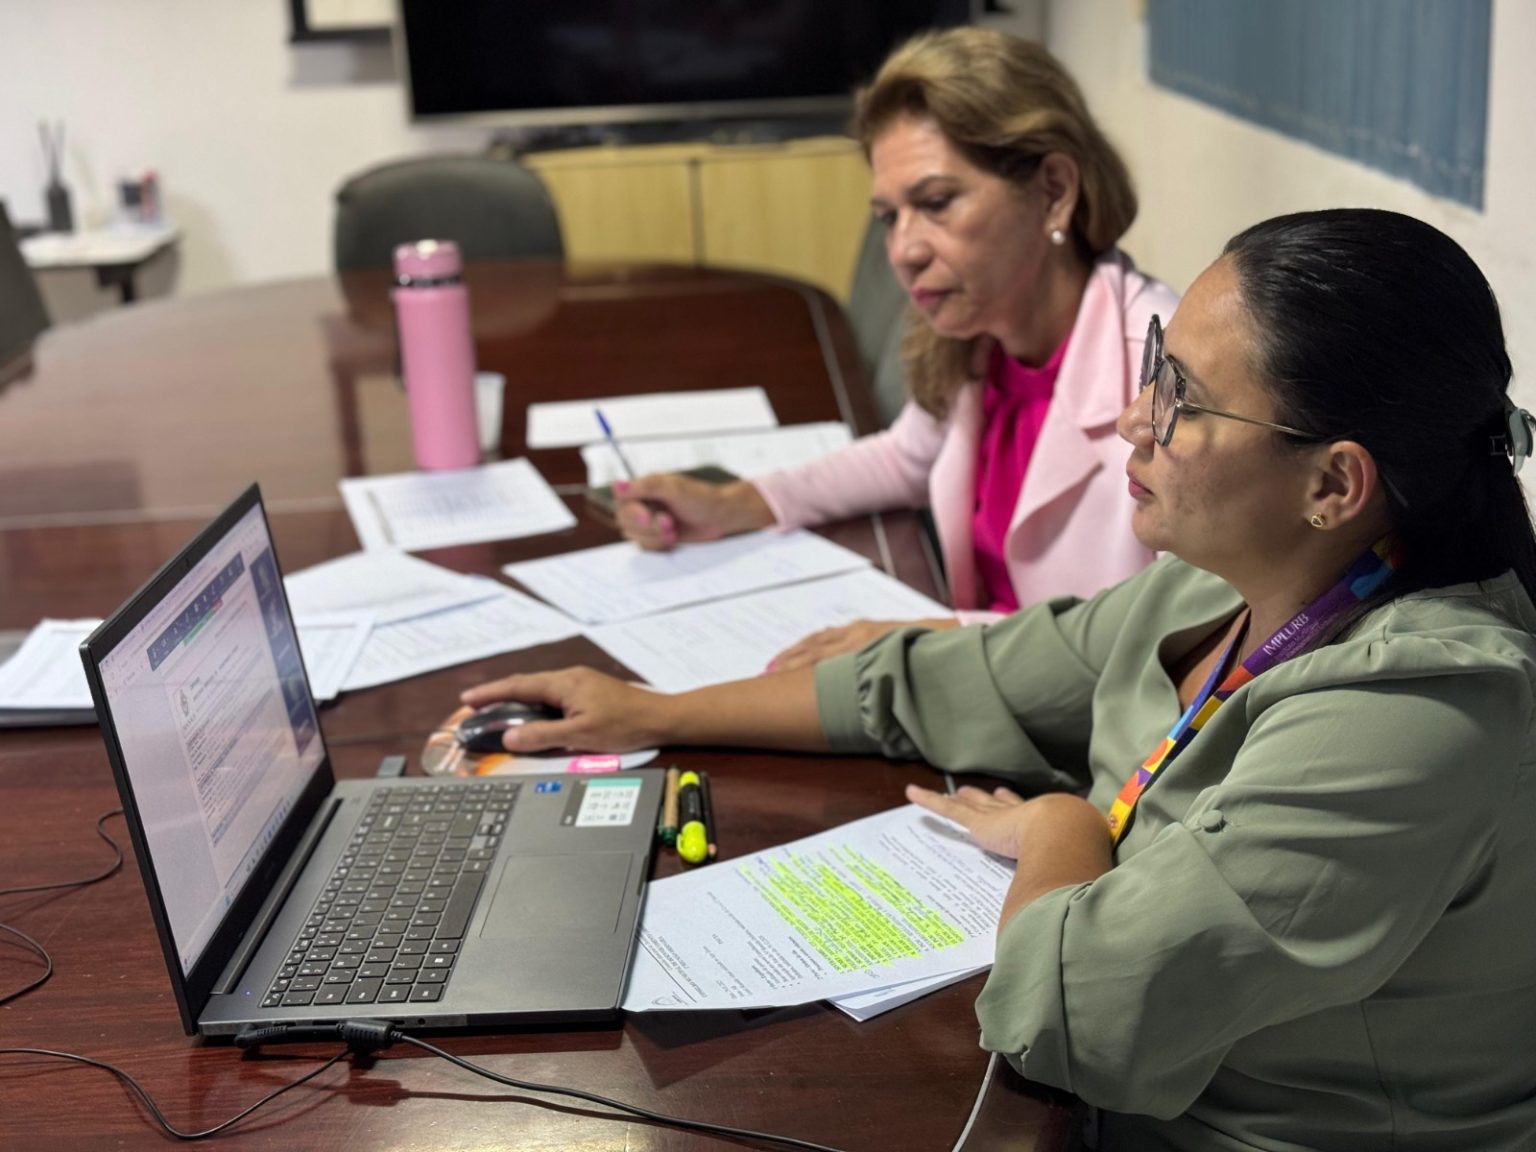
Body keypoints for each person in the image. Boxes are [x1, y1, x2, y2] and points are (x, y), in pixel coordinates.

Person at [466, 209, 1536, 1149]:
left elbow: (1066, 1014)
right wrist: (649, 710)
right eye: (1157, 364)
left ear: (1334, 483)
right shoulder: (1221, 585)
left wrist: (1065, 826)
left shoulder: (1416, 716)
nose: (1135, 418)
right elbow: (944, 678)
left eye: (1185, 399)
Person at [612, 27, 1177, 671]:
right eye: (890, 216)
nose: (903, 251)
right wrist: (737, 503)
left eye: (936, 204)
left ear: (1053, 191)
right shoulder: (982, 331)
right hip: (990, 690)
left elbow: (1168, 636)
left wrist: (931, 635)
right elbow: (907, 459)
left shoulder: (1169, 375)